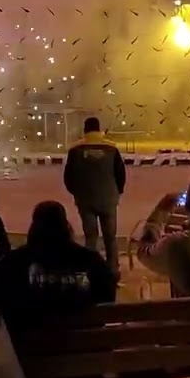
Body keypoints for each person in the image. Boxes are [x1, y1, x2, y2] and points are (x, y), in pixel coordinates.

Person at [0, 200, 116, 334]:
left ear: (34, 228)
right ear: (66, 227)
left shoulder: (15, 262)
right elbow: (108, 296)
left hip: (28, 355)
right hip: (85, 354)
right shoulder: (91, 261)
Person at [63, 117, 125, 276]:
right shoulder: (112, 149)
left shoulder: (75, 150)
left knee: (90, 237)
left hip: (85, 200)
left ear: (85, 130)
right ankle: (112, 272)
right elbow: (120, 174)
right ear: (99, 130)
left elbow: (68, 177)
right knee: (110, 238)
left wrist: (76, 192)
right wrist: (117, 192)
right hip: (108, 200)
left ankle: (92, 272)